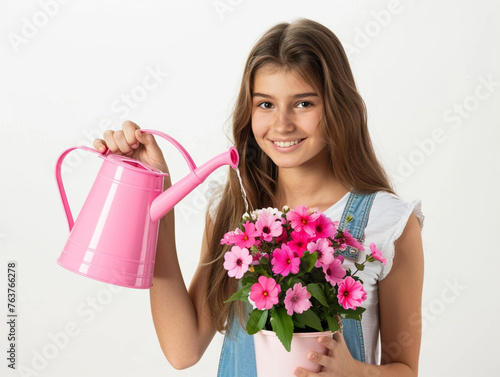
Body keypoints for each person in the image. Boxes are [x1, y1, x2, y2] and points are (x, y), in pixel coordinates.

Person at [93, 18, 424, 377]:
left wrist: (356, 372)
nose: (282, 125)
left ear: (336, 107)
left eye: (303, 104)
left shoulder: (387, 223)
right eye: (265, 104)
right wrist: (157, 197)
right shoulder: (234, 208)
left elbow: (405, 369)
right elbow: (182, 349)